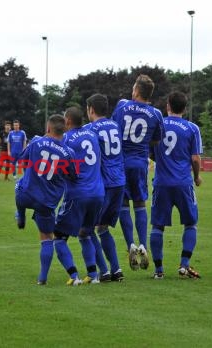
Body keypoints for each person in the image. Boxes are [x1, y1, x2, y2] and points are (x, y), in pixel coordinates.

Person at [14, 114, 77, 285]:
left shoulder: (36, 142)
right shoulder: (69, 153)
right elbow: (73, 175)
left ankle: (20, 215)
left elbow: (23, 160)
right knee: (47, 238)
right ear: (64, 130)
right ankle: (42, 278)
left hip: (25, 195)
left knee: (18, 185)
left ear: (48, 128)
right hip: (47, 202)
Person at [112, 74, 164, 271]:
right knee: (140, 202)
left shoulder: (121, 107)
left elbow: (113, 130)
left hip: (120, 162)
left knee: (124, 204)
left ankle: (130, 245)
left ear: (136, 90)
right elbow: (156, 140)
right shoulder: (156, 114)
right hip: (140, 162)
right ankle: (143, 244)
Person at [149, 91, 202, 279]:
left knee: (157, 226)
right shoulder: (192, 128)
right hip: (183, 183)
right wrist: (197, 177)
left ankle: (158, 271)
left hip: (161, 182)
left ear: (168, 106)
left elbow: (151, 150)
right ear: (185, 108)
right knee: (191, 223)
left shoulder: (158, 124)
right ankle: (184, 265)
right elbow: (195, 159)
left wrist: (160, 159)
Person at [54, 107, 104, 285]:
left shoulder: (66, 139)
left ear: (67, 121)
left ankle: (74, 277)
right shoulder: (92, 135)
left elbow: (61, 166)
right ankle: (93, 275)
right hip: (98, 193)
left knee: (58, 237)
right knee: (86, 233)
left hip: (78, 193)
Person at [85, 94, 125, 282]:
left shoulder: (90, 129)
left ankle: (104, 271)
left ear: (91, 109)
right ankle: (116, 269)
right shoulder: (116, 126)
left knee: (88, 228)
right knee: (103, 228)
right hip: (119, 183)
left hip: (104, 184)